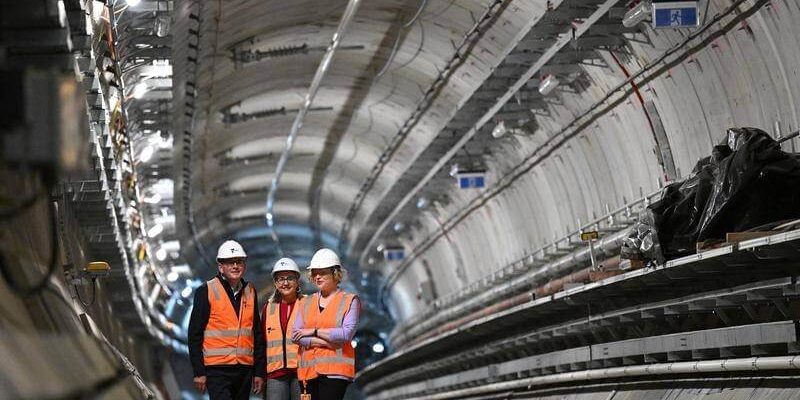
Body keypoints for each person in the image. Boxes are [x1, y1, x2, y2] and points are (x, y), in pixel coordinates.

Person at [188, 240, 265, 399]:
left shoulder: (251, 291)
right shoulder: (206, 291)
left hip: (244, 369)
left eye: (239, 262)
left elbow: (256, 334)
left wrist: (259, 372)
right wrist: (199, 372)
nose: (235, 266)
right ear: (220, 266)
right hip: (217, 369)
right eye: (230, 262)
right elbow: (194, 335)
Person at [291, 248, 360, 400]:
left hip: (336, 371)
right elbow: (295, 335)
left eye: (322, 273)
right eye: (315, 273)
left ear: (335, 274)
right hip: (308, 371)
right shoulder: (306, 302)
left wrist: (313, 331)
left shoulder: (350, 300)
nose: (317, 277)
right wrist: (326, 342)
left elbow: (345, 334)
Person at [263, 257, 304, 400]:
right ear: (275, 283)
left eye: (290, 278)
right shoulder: (268, 309)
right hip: (275, 374)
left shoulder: (308, 304)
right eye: (281, 279)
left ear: (297, 280)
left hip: (303, 372)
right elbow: (261, 343)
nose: (285, 283)